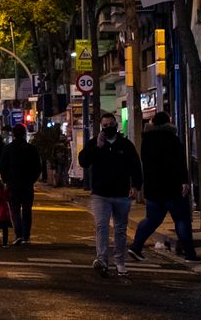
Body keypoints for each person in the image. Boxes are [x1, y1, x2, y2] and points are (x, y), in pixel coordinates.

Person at [128, 112, 201, 263]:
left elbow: (145, 163)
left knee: (152, 219)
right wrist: (184, 181)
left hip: (153, 188)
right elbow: (180, 163)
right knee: (181, 219)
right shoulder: (173, 139)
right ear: (168, 123)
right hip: (172, 186)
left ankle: (136, 246)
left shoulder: (146, 140)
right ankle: (190, 253)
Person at [78, 112, 143, 279]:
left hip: (121, 194)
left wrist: (136, 186)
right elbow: (83, 161)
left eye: (110, 124)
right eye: (104, 125)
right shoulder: (95, 143)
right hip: (101, 194)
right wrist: (96, 148)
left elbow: (135, 166)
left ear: (116, 125)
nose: (107, 128)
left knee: (120, 229)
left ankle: (120, 262)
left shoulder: (125, 145)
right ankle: (102, 260)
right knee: (102, 226)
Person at [0, 124, 41, 245]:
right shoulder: (31, 148)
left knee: (15, 210)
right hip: (27, 184)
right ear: (24, 133)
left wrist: (6, 180)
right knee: (27, 210)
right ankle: (26, 236)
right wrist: (32, 180)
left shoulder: (8, 148)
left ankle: (18, 235)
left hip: (13, 184)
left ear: (13, 134)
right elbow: (38, 167)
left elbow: (2, 166)